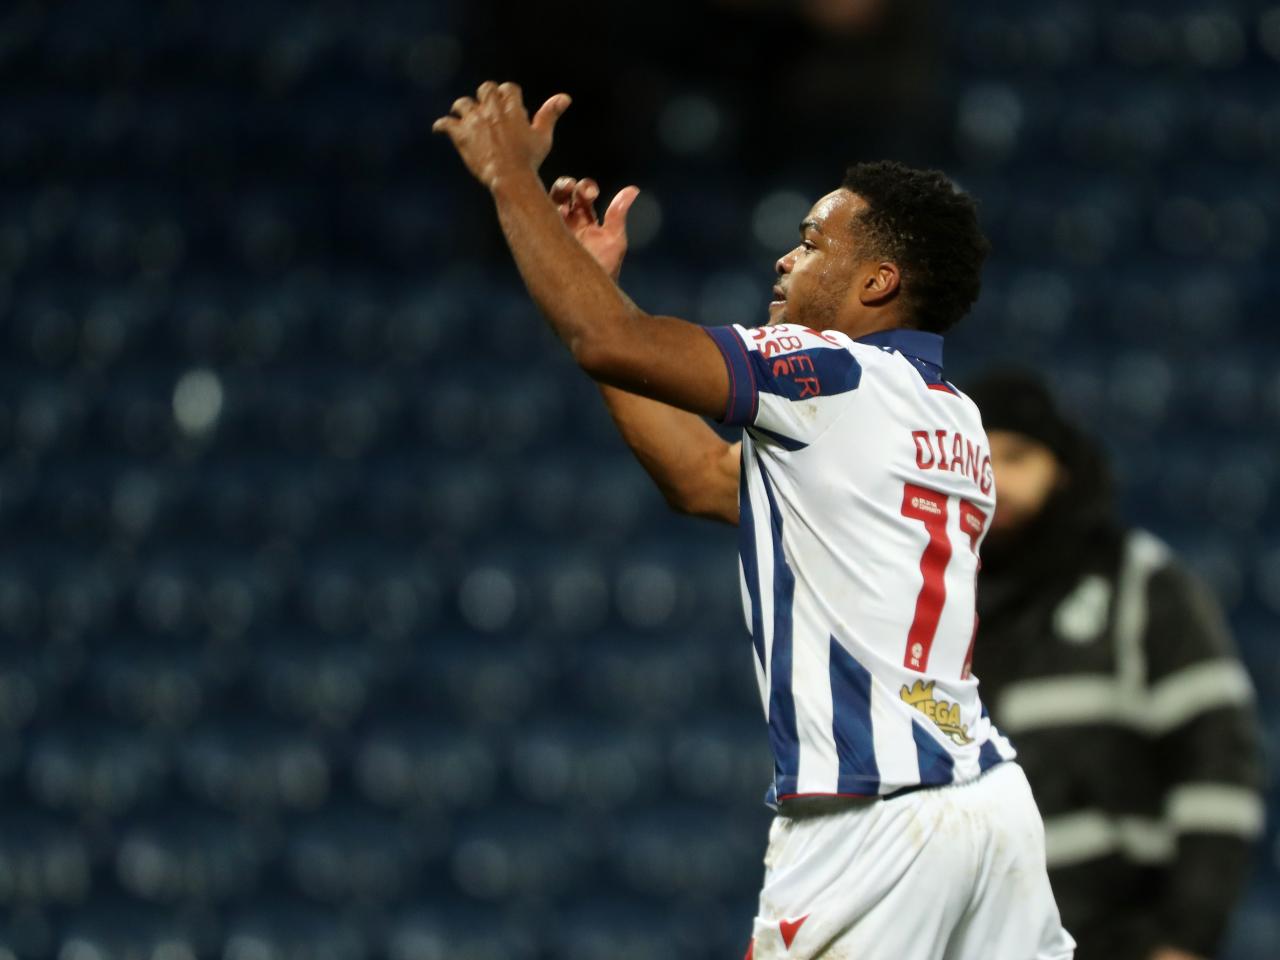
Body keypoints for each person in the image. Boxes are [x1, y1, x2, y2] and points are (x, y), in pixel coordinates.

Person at [433, 81, 1075, 960]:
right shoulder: (952, 415)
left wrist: (510, 181)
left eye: (814, 242)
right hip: (988, 808)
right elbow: (702, 476)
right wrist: (590, 282)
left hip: (871, 824)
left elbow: (610, 341)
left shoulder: (830, 375)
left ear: (878, 280)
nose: (786, 258)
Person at [965, 371, 1265, 960]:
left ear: (1064, 470)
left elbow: (1218, 765)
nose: (996, 480)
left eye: (1018, 457)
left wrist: (1186, 936)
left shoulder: (1142, 585)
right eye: (980, 457)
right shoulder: (934, 601)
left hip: (1122, 940)